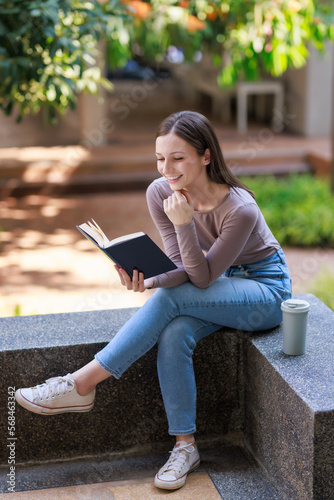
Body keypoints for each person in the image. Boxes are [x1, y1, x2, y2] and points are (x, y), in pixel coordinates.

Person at [15, 110, 292, 491]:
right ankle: (185, 446)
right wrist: (146, 282)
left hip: (264, 291)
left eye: (178, 158)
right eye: (160, 158)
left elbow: (202, 278)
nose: (167, 168)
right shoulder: (160, 192)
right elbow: (182, 268)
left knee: (175, 299)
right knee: (176, 333)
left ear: (206, 156)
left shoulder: (240, 208)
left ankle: (81, 384)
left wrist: (183, 225)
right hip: (217, 287)